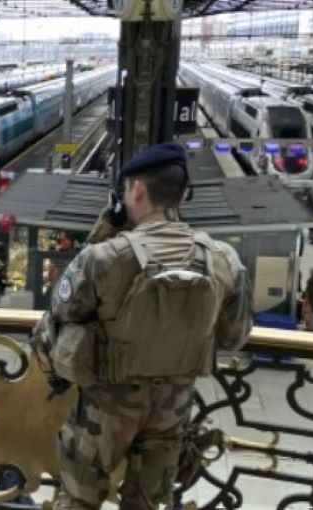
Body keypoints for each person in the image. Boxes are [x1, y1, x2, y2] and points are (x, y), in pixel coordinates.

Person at [30, 143, 252, 509]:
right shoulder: (222, 257)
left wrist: (102, 232)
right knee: (148, 503)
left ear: (136, 190)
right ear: (183, 194)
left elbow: (61, 312)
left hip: (106, 407)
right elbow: (236, 335)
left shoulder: (104, 257)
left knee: (79, 499)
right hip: (173, 407)